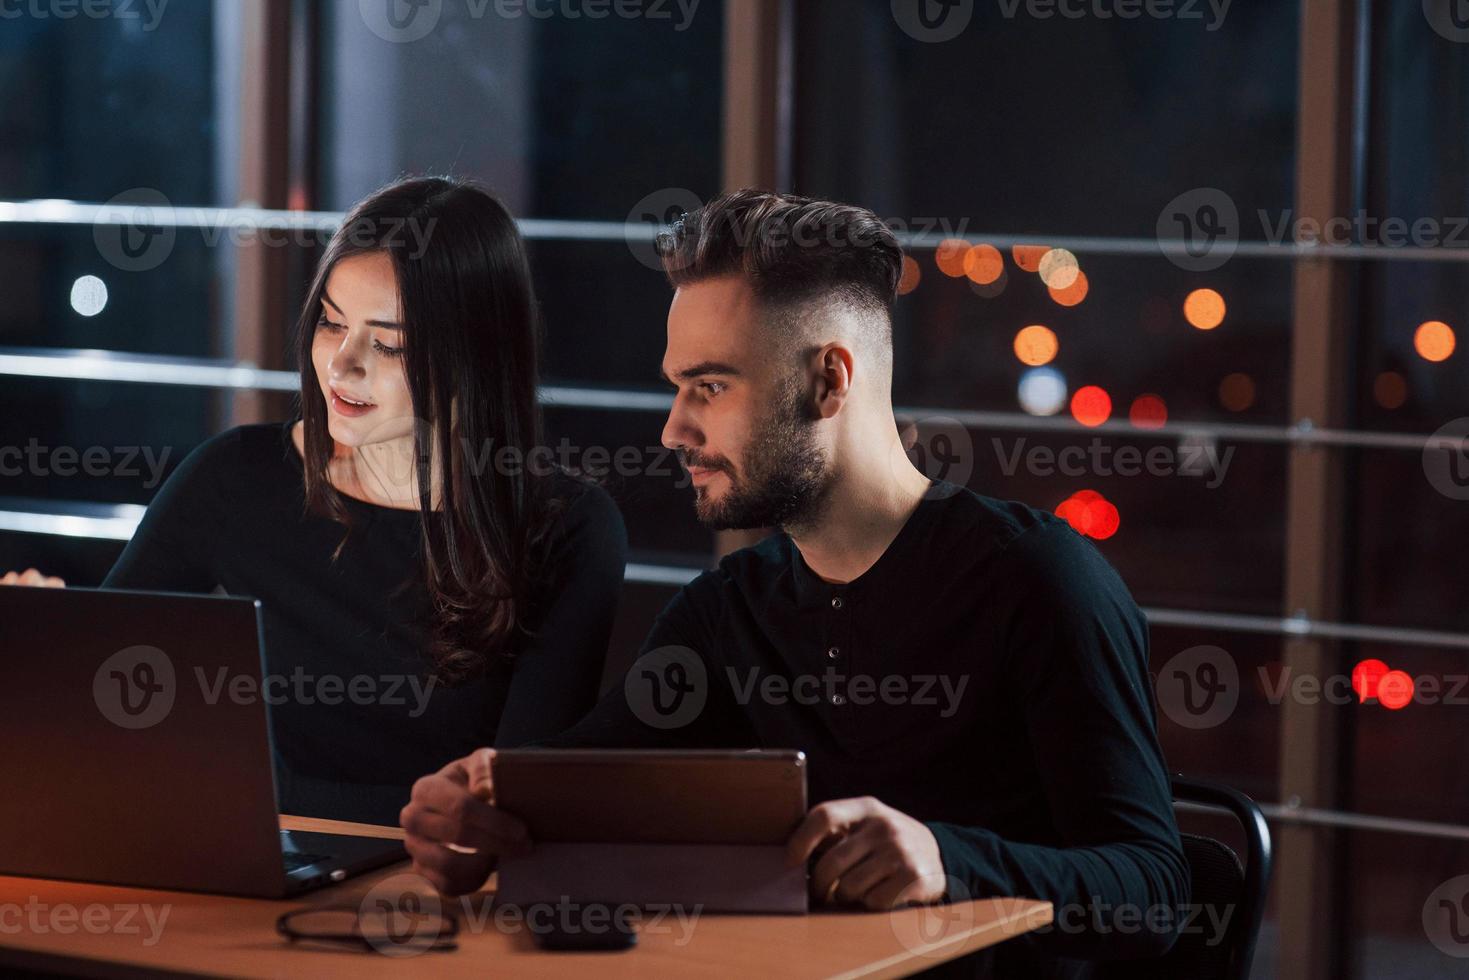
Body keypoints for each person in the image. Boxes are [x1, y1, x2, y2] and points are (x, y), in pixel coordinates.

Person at [402, 189, 1189, 976]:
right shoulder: (725, 611)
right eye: (678, 386)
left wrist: (946, 859)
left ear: (828, 381)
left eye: (709, 386)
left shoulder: (1039, 581)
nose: (674, 429)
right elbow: (570, 790)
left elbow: (1154, 892)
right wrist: (481, 817)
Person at [2, 177, 627, 826]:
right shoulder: (235, 478)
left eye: (389, 344)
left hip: (442, 890)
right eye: (331, 323)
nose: (342, 365)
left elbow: (516, 802)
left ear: (474, 354)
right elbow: (103, 697)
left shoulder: (567, 529)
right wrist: (42, 637)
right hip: (255, 867)